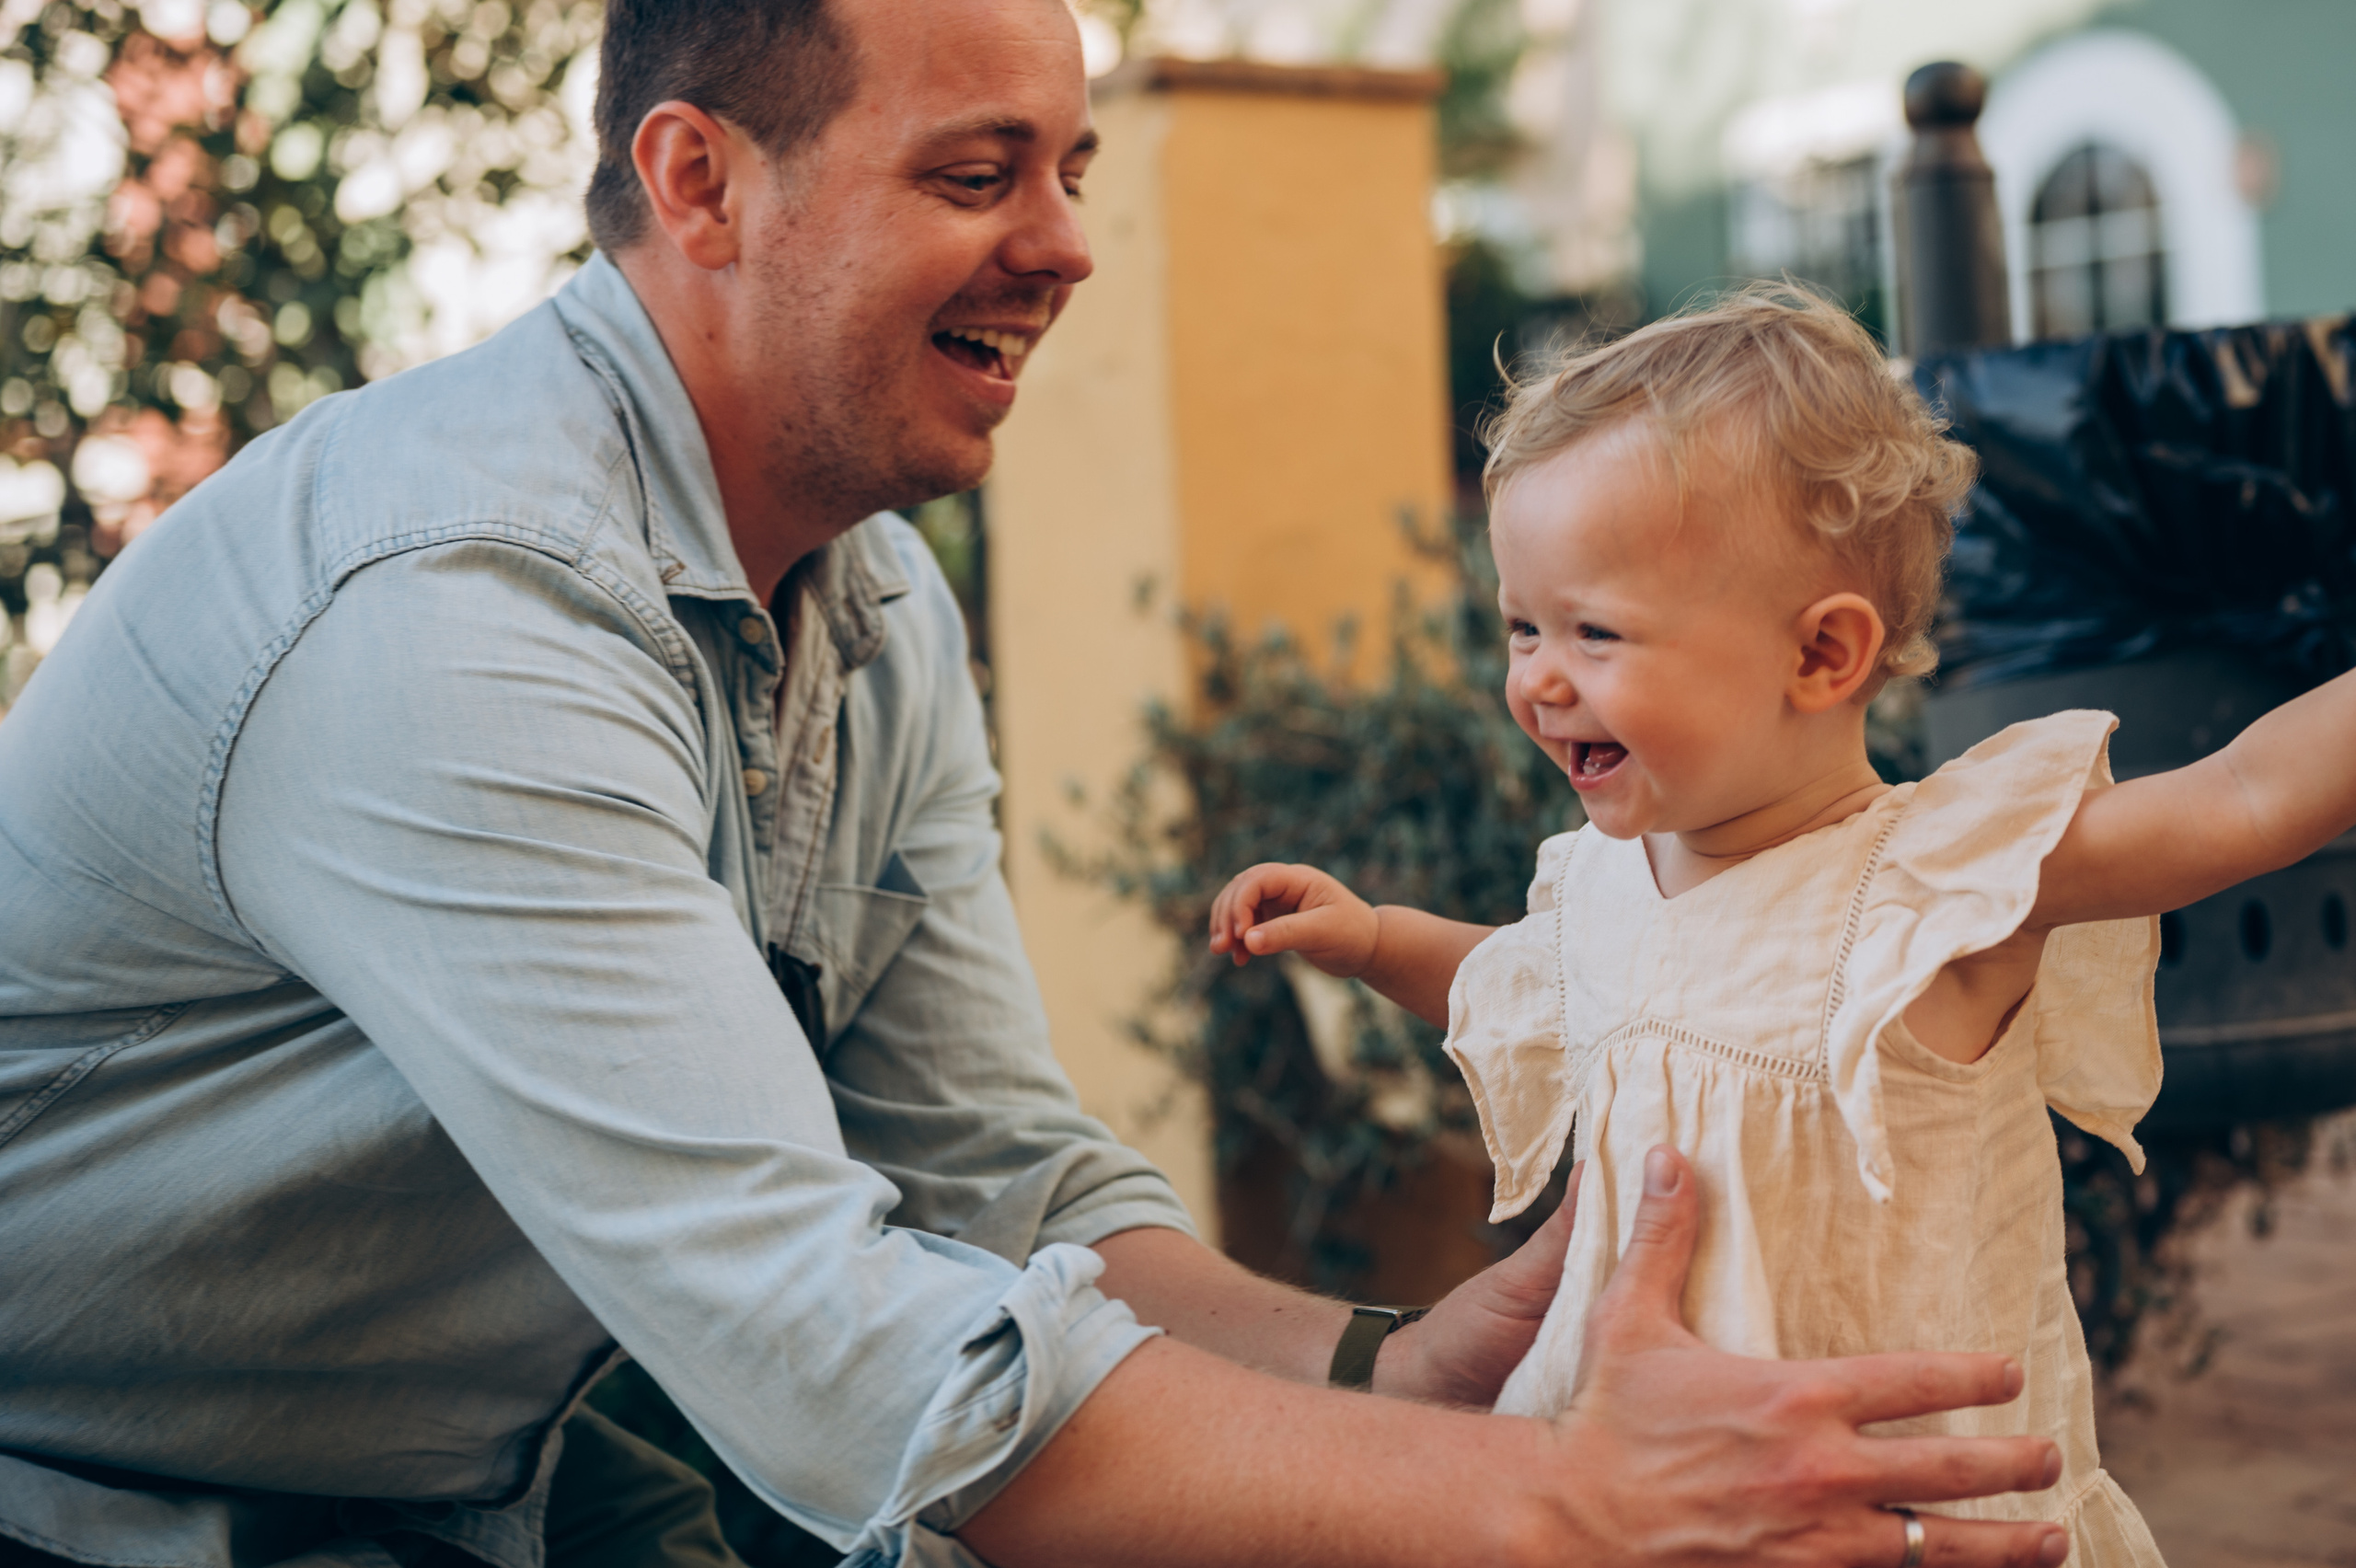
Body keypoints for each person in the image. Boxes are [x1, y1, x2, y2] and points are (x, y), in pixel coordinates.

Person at [0, 3, 2070, 1565]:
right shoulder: (461, 618)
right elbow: (829, 1348)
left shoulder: (870, 595)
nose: (1067, 245)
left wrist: (1382, 1371)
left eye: (1070, 168)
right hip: (102, 1492)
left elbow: (988, 1170)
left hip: (484, 1464)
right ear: (702, 183)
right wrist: (1565, 1502)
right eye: (977, 174)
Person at [1208, 283, 2356, 1566]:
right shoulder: (1602, 882)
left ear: (1820, 656)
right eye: (1523, 627)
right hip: (1655, 1509)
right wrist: (1375, 940)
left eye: (1594, 632)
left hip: (1903, 1524)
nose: (1537, 679)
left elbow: (2242, 798)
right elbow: (1527, 985)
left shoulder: (1935, 886)